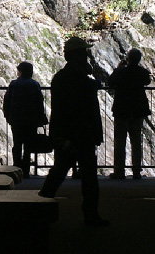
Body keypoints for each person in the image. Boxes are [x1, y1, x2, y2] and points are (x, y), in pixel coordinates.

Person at [38, 37, 109, 226]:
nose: (86, 56)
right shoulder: (78, 79)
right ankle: (90, 215)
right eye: (83, 52)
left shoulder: (62, 78)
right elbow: (84, 103)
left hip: (69, 134)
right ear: (76, 55)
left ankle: (40, 206)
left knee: (59, 172)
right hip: (79, 133)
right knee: (86, 177)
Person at [108, 48, 151, 180]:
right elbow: (147, 81)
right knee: (136, 141)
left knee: (120, 141)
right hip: (137, 110)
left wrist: (118, 68)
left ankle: (119, 171)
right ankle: (136, 171)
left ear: (128, 58)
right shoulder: (141, 73)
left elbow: (110, 82)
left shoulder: (121, 72)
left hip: (122, 110)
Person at [3, 61, 47, 178]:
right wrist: (41, 117)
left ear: (20, 72)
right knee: (28, 145)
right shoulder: (35, 84)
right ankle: (26, 170)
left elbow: (7, 101)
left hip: (16, 119)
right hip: (31, 120)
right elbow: (39, 102)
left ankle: (17, 169)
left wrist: (8, 116)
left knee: (17, 144)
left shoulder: (13, 84)